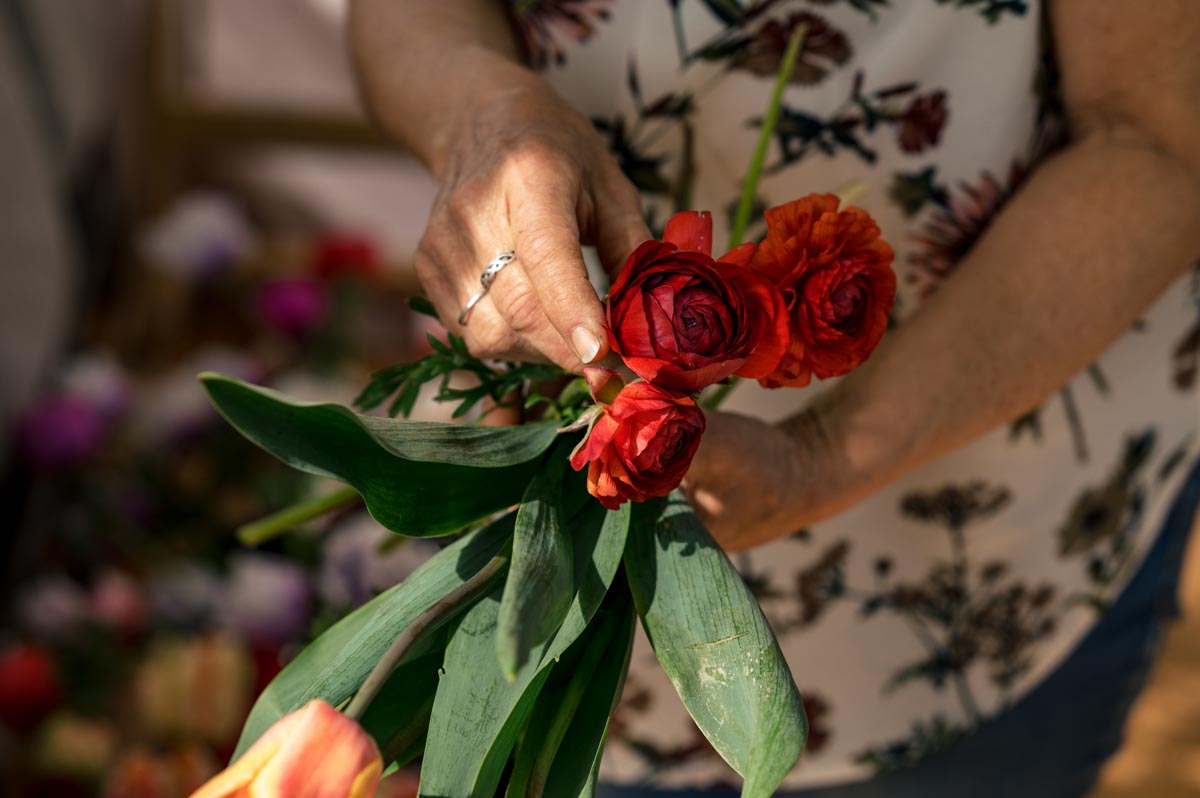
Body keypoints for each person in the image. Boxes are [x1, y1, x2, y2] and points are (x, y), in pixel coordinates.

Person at [349, 1, 1200, 795]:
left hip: (973, 547)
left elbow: (1159, 135)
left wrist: (823, 456)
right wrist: (487, 119)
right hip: (551, 525)